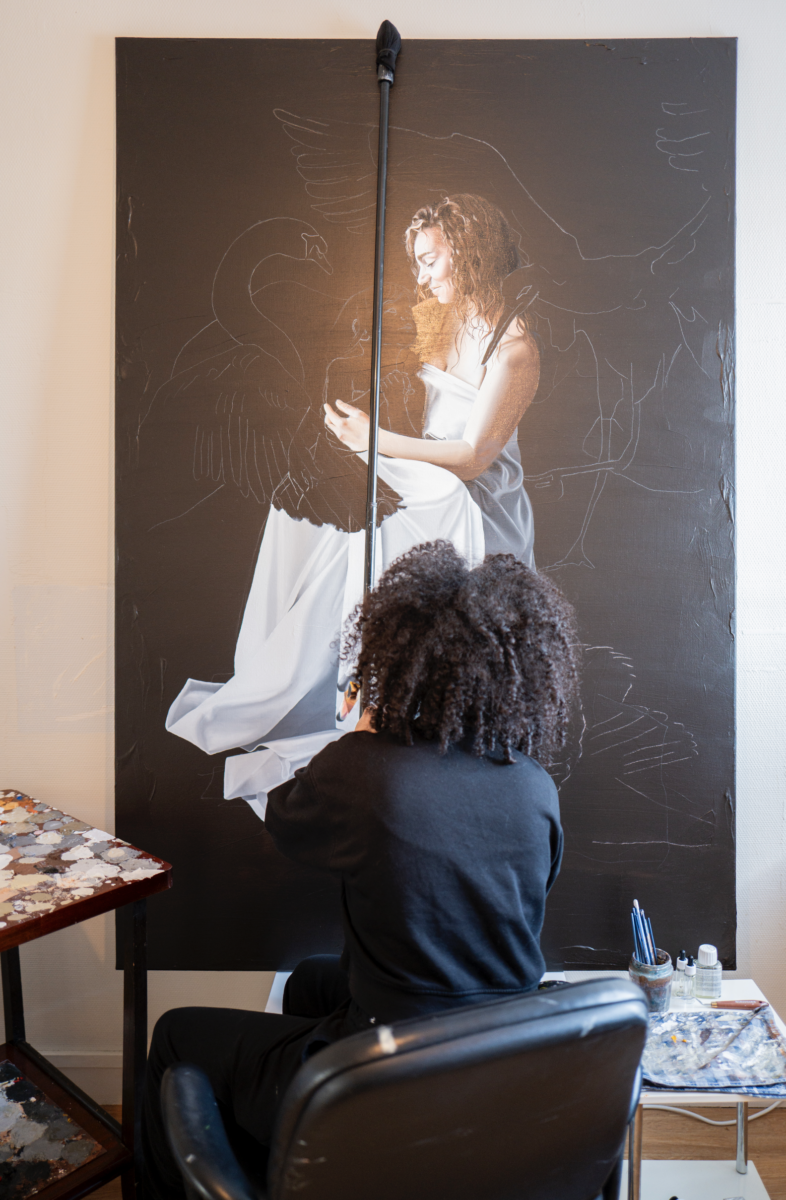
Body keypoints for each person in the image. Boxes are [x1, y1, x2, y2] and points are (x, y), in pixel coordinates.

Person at [143, 540, 580, 1199]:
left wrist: (363, 732)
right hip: (501, 1056)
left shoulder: (366, 771)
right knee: (310, 981)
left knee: (175, 1036)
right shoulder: (534, 786)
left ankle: (305, 1150)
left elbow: (287, 821)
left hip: (395, 1073)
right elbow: (526, 892)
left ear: (393, 663)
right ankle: (294, 1169)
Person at [165, 194, 542, 816]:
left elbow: (473, 456)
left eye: (430, 260)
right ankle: (337, 694)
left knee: (417, 514)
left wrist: (376, 440)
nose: (421, 277)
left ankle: (417, 736)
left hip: (477, 506)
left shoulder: (515, 350)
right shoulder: (438, 319)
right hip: (426, 485)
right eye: (416, 263)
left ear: (470, 254)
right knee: (327, 516)